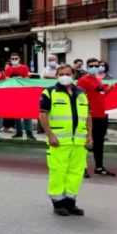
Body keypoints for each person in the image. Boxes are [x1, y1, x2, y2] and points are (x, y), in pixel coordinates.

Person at [39, 64, 92, 216]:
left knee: (76, 172)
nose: (64, 76)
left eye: (67, 73)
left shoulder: (82, 93)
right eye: (61, 74)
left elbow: (88, 115)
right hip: (59, 141)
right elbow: (43, 115)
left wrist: (90, 135)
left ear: (73, 75)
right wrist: (50, 135)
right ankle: (58, 202)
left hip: (79, 142)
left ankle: (70, 201)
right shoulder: (49, 92)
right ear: (56, 75)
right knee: (58, 171)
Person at [77, 58, 115, 176]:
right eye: (91, 65)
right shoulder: (83, 80)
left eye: (96, 65)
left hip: (101, 115)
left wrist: (109, 89)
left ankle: (99, 167)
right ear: (87, 67)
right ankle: (81, 168)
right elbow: (79, 97)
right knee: (85, 142)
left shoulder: (98, 80)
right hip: (90, 116)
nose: (94, 67)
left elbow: (100, 94)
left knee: (99, 143)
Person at [4, 54, 35, 140]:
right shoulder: (8, 69)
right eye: (12, 58)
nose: (14, 59)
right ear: (10, 60)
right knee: (16, 114)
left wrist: (16, 79)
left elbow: (27, 78)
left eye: (16, 58)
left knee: (27, 114)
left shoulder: (24, 67)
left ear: (19, 59)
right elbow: (6, 79)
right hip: (13, 93)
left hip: (24, 93)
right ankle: (19, 132)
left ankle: (29, 133)